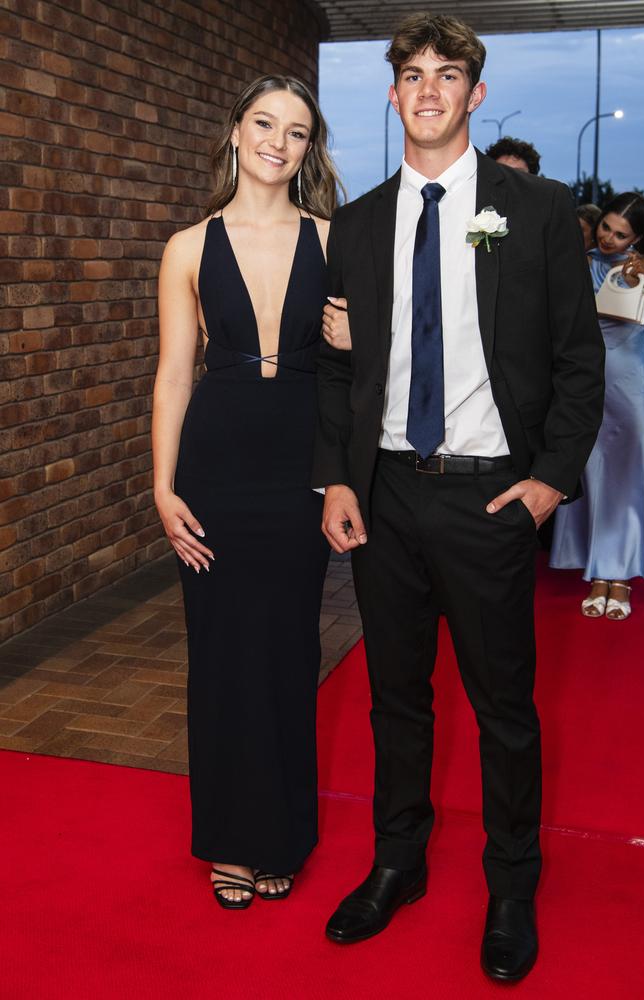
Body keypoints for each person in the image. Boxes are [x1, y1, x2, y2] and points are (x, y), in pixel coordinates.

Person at [313, 12, 604, 982]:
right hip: (387, 496)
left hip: (490, 503)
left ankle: (510, 882)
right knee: (394, 699)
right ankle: (396, 859)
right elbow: (331, 368)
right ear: (391, 94)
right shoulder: (354, 225)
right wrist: (339, 479)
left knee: (502, 709)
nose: (428, 88)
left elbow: (577, 364)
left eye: (447, 74)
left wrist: (547, 481)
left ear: (474, 95)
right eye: (411, 73)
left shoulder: (536, 211)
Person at [152, 76, 338, 909]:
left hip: (299, 462)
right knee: (222, 653)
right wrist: (161, 487)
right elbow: (171, 376)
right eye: (264, 123)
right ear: (234, 131)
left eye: (296, 131)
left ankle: (283, 834)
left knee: (290, 650)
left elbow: (365, 372)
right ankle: (232, 838)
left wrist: (357, 339)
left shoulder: (335, 241)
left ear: (308, 149)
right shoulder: (188, 247)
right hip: (216, 464)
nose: (277, 141)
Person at [550, 193, 644, 619]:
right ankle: (597, 571)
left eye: (621, 233)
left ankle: (620, 575)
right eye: (606, 227)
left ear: (639, 237)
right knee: (592, 475)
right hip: (588, 383)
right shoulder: (583, 262)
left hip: (633, 386)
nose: (609, 238)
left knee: (628, 477)